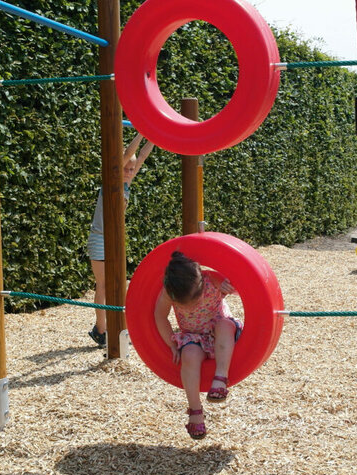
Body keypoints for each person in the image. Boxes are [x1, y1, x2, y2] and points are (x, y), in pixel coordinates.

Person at [154, 251, 243, 440]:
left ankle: (221, 378)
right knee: (189, 355)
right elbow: (160, 316)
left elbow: (238, 287)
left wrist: (229, 286)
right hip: (194, 337)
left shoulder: (212, 279)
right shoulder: (169, 292)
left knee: (224, 325)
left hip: (218, 333)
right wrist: (170, 342)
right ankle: (195, 411)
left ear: (202, 280)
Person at [87, 133, 154, 348]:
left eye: (132, 169)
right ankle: (101, 330)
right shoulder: (112, 179)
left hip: (115, 239)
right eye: (126, 168)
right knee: (104, 286)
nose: (129, 171)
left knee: (118, 285)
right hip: (99, 238)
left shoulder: (127, 182)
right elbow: (129, 154)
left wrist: (154, 133)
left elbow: (141, 155)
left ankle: (119, 328)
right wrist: (141, 133)